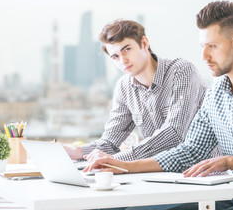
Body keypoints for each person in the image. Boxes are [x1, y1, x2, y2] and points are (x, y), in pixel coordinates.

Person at [86, 1, 233, 210]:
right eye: (202, 47)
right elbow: (190, 151)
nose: (204, 56)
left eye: (213, 46)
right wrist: (123, 166)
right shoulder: (216, 95)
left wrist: (230, 161)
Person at [65, 19, 207, 162]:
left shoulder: (181, 71)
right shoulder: (124, 86)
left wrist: (120, 159)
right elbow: (110, 142)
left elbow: (174, 134)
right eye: (115, 56)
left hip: (204, 174)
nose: (123, 60)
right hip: (161, 174)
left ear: (144, 43)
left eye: (127, 49)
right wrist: (76, 152)